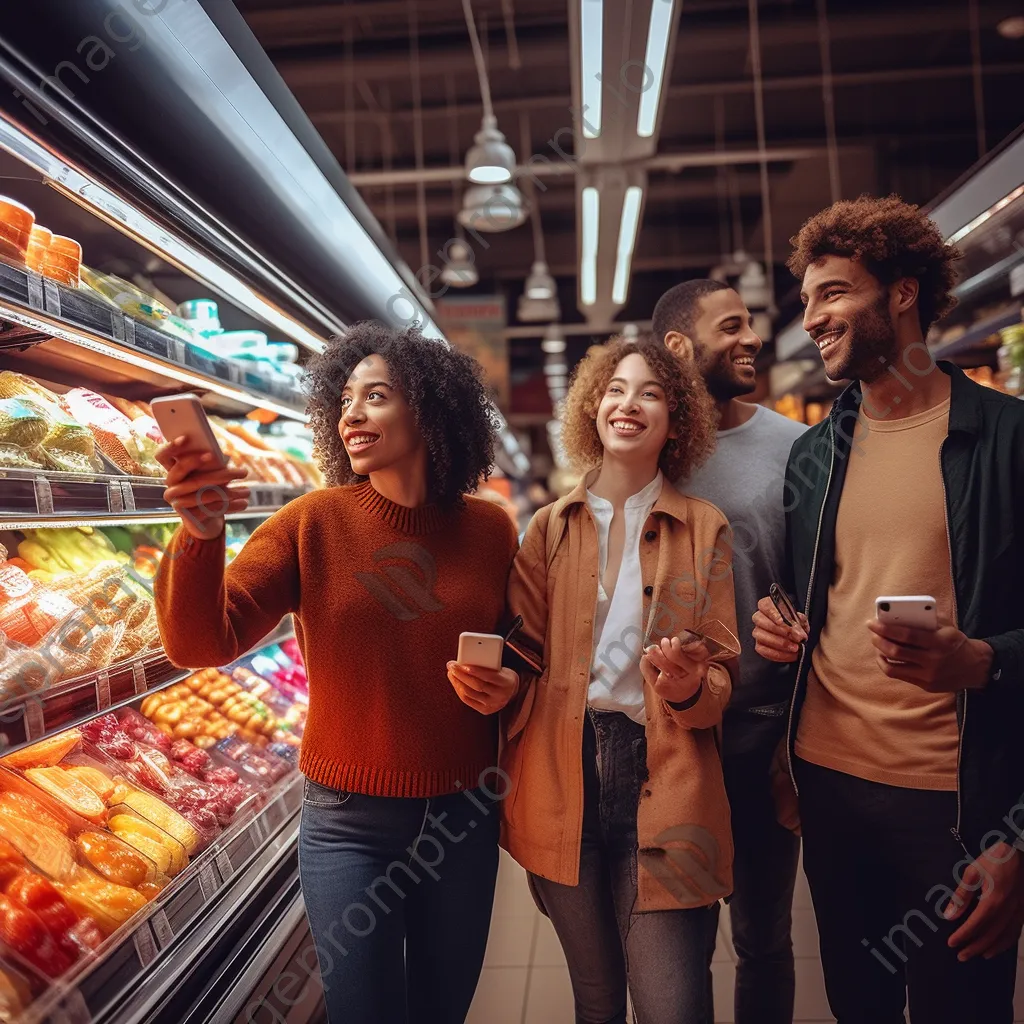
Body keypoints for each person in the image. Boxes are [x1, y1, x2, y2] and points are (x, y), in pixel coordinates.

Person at [152, 323, 520, 1024]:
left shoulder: (491, 528)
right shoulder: (310, 522)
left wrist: (510, 683)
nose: (352, 414)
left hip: (461, 817)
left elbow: (523, 644)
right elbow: (202, 643)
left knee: (445, 1011)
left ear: (432, 411)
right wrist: (199, 535)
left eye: (376, 397)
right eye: (344, 399)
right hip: (348, 824)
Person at [751, 195, 1024, 1024]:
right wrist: (780, 627)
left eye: (833, 293)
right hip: (833, 786)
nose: (814, 318)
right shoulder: (814, 455)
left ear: (902, 294)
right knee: (857, 1007)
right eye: (807, 302)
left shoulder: (1008, 440)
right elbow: (812, 599)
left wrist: (983, 659)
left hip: (958, 802)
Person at [451, 335, 738, 1023]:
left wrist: (689, 688)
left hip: (665, 779)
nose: (627, 403)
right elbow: (524, 653)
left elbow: (722, 674)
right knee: (597, 999)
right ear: (591, 409)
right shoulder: (550, 529)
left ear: (677, 421)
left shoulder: (704, 528)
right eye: (614, 389)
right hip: (561, 774)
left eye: (649, 393)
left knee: (674, 1005)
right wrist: (502, 686)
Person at [653, 279, 806, 1024]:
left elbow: (821, 587)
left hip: (762, 729)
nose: (751, 338)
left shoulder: (793, 446)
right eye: (732, 325)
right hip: (673, 739)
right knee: (675, 945)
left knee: (764, 939)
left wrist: (798, 737)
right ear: (679, 347)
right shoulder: (647, 451)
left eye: (752, 323)